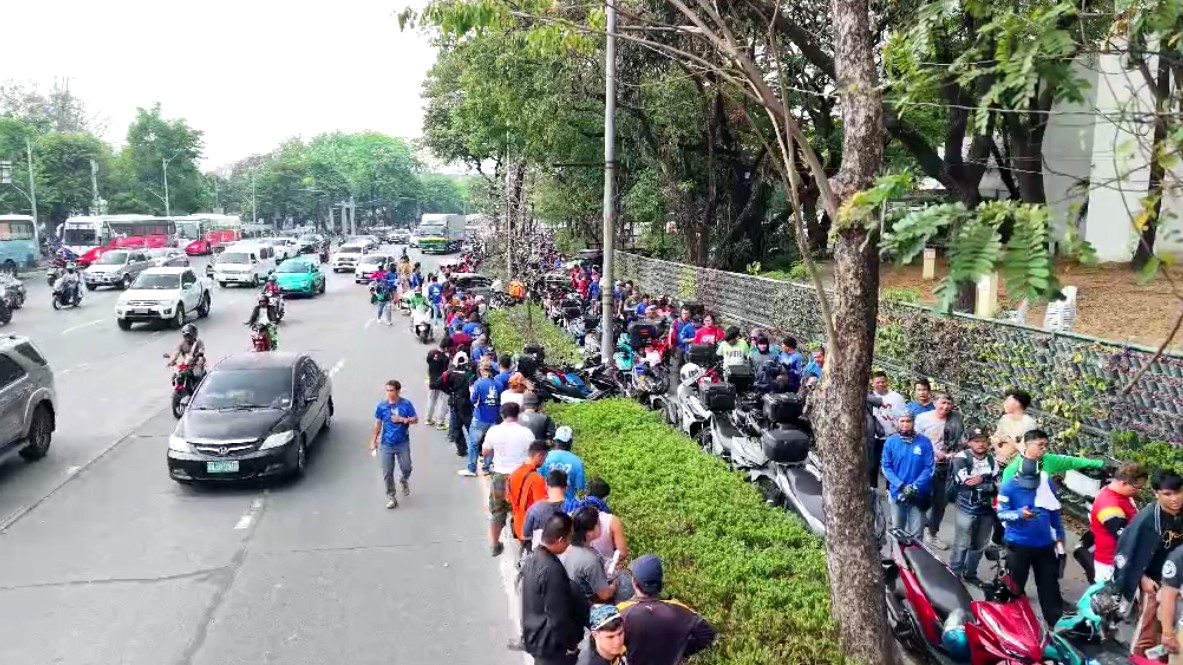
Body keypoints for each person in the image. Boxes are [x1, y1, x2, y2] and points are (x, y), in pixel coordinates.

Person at [1108, 470, 1183, 657]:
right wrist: (1142, 578)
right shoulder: (1146, 520)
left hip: (1178, 579)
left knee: (1174, 627)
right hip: (1154, 581)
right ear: (1156, 493)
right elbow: (1126, 552)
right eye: (1168, 494)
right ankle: (1138, 659)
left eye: (1178, 492)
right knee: (1147, 629)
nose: (1175, 499)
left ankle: (1163, 658)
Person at [996, 456, 1065, 627]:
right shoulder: (1008, 487)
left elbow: (1055, 511)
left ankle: (1056, 623)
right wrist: (1019, 514)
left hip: (1044, 545)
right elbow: (1001, 513)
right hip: (1018, 545)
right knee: (1014, 585)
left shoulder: (1046, 483)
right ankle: (1010, 622)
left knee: (1049, 586)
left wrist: (1060, 540)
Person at [618, 554, 718, 665]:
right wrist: (681, 649)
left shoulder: (622, 611)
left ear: (635, 583)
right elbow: (708, 633)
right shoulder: (678, 609)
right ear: (660, 584)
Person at [521, 513, 586, 665]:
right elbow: (558, 617)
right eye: (569, 538)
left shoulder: (533, 557)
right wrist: (571, 645)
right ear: (560, 540)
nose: (570, 543)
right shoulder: (552, 569)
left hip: (534, 636)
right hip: (551, 646)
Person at [946, 428, 999, 583]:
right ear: (969, 443)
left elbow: (998, 483)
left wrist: (982, 479)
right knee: (962, 543)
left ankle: (970, 574)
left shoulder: (991, 460)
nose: (981, 444)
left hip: (986, 509)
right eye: (976, 441)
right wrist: (988, 482)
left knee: (979, 545)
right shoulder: (961, 458)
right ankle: (955, 573)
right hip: (966, 507)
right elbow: (967, 481)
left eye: (983, 440)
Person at [484, 402, 537, 556]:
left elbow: (485, 452)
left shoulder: (494, 431)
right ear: (518, 415)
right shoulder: (526, 433)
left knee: (497, 511)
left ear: (502, 414)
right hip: (520, 477)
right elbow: (533, 453)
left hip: (499, 477)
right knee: (520, 510)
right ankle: (523, 544)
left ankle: (495, 544)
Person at [914, 392, 964, 551]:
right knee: (921, 499)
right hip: (925, 465)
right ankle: (915, 532)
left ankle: (932, 534)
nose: (946, 407)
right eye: (942, 403)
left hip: (946, 467)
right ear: (935, 403)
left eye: (949, 403)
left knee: (940, 502)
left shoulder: (956, 419)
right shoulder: (923, 418)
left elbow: (961, 441)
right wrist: (934, 453)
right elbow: (916, 439)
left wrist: (952, 455)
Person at [1088, 462, 1146, 583]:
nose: (1139, 491)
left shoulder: (1116, 492)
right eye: (1137, 488)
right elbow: (1126, 537)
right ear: (1123, 483)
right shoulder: (1109, 506)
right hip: (1112, 565)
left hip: (1121, 560)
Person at [880, 412, 934, 541]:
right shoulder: (891, 442)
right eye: (902, 421)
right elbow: (886, 466)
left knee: (917, 533)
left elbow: (930, 467)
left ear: (913, 422)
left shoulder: (924, 442)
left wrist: (915, 487)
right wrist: (901, 485)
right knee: (898, 531)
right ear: (898, 422)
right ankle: (899, 559)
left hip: (918, 494)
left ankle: (915, 560)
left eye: (908, 421)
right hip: (897, 493)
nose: (905, 424)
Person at [562, 506, 629, 605]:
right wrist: (615, 583)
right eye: (598, 523)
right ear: (589, 534)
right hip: (588, 607)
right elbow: (605, 594)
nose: (601, 525)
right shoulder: (590, 559)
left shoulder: (567, 548)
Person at [369, 379, 419, 509]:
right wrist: (373, 441)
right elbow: (377, 425)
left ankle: (403, 480)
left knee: (407, 467)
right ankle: (391, 496)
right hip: (387, 444)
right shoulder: (382, 407)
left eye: (391, 390)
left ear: (397, 391)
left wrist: (402, 419)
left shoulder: (406, 404)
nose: (388, 393)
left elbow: (415, 419)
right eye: (387, 390)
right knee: (387, 472)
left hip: (402, 442)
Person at [509, 440, 551, 552]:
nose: (545, 461)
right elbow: (542, 509)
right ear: (540, 455)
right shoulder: (537, 479)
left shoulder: (514, 474)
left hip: (517, 525)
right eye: (545, 457)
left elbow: (508, 498)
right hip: (531, 531)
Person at [461, 363, 501, 477]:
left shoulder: (478, 383)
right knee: (491, 444)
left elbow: (473, 400)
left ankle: (472, 469)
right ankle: (486, 468)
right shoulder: (498, 384)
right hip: (494, 419)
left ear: (483, 371)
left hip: (480, 418)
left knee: (473, 444)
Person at [869, 371, 907, 488]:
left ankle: (889, 488)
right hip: (875, 437)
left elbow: (903, 415)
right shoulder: (870, 397)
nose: (881, 384)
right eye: (878, 382)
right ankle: (872, 487)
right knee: (873, 464)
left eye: (883, 382)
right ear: (873, 383)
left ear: (887, 382)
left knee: (891, 464)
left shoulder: (897, 397)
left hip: (892, 436)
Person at [582, 477, 629, 570]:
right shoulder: (612, 521)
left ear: (585, 496)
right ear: (606, 499)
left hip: (578, 572)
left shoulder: (572, 514)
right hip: (605, 572)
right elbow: (622, 552)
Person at [524, 470, 575, 550]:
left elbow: (526, 537)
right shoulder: (574, 508)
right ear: (566, 488)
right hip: (567, 556)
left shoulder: (535, 509)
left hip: (540, 554)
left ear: (546, 486)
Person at [992, 388, 1038, 466]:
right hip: (999, 460)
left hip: (1016, 465)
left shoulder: (1029, 424)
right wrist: (997, 446)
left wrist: (1008, 440)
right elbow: (997, 436)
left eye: (1008, 401)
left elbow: (1025, 450)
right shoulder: (1005, 419)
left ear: (1017, 403)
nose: (1004, 404)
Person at [441, 352, 474, 457]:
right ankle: (476, 449)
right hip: (466, 404)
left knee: (457, 428)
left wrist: (450, 392)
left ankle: (462, 449)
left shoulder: (451, 374)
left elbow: (439, 384)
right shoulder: (470, 374)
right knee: (470, 428)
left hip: (456, 404)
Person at [540, 426, 585, 502]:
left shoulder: (544, 457)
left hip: (546, 501)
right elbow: (580, 486)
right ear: (570, 442)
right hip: (567, 505)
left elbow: (538, 479)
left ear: (554, 440)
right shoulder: (577, 461)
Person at [425, 337, 453, 430]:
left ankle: (428, 419)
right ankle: (440, 423)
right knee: (444, 402)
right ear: (447, 347)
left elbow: (428, 363)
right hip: (441, 383)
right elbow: (446, 372)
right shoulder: (445, 358)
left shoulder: (431, 353)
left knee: (431, 400)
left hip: (432, 381)